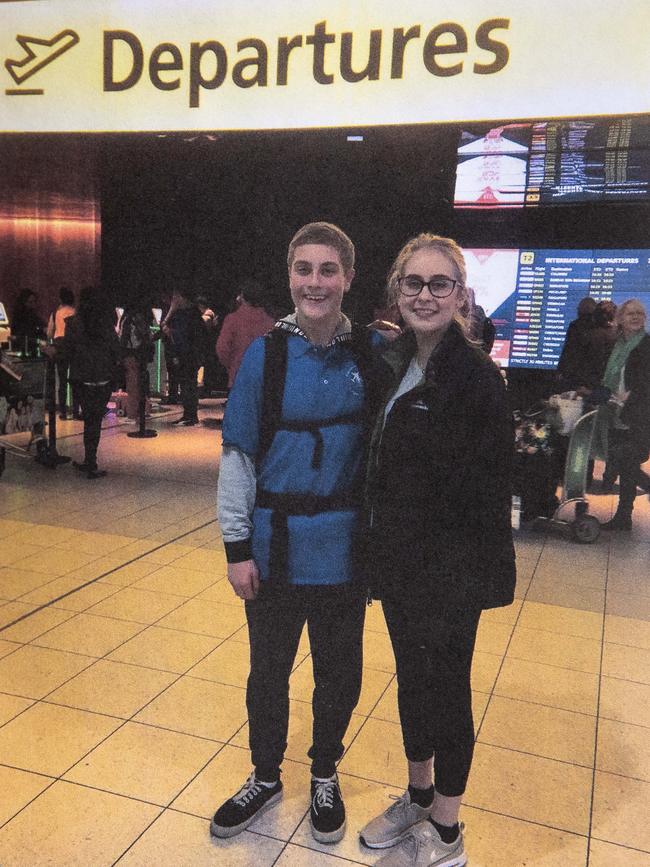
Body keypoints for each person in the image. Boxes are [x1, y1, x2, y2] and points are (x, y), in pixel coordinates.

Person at [211, 222, 380, 845]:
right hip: (274, 549)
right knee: (268, 674)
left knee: (340, 673)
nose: (315, 282)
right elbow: (239, 457)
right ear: (289, 277)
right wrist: (235, 549)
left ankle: (325, 771)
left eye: (327, 270)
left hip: (344, 553)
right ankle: (264, 774)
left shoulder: (369, 354)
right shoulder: (267, 355)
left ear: (348, 278)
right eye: (304, 270)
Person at [358, 234, 516, 867]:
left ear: (459, 295)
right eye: (413, 283)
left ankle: (446, 829)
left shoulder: (478, 378)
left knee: (448, 686)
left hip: (451, 568)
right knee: (411, 681)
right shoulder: (393, 362)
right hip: (398, 561)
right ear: (397, 291)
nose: (424, 295)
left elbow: (487, 488)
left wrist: (471, 574)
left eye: (439, 284)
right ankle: (418, 792)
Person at [594, 299, 650, 531]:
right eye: (631, 313)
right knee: (620, 461)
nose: (636, 317)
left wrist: (631, 396)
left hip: (638, 415)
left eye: (640, 313)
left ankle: (624, 516)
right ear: (620, 318)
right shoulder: (615, 345)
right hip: (614, 412)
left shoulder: (647, 345)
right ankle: (624, 515)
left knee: (627, 462)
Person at [59, 286, 121, 479]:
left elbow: (67, 352)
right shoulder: (106, 325)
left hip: (82, 378)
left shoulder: (74, 324)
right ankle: (91, 460)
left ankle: (90, 460)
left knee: (89, 420)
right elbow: (115, 351)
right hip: (103, 378)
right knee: (95, 421)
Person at [216, 279, 275, 388]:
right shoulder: (270, 322)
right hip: (263, 377)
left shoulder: (233, 319)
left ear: (242, 297)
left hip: (238, 374)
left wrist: (231, 365)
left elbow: (222, 348)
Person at [162, 289, 204, 426]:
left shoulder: (188, 314)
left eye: (175, 297)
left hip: (188, 355)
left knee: (188, 385)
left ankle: (190, 415)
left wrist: (170, 332)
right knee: (187, 384)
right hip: (191, 354)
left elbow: (184, 336)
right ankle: (189, 414)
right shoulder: (193, 313)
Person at [47, 287, 80, 420]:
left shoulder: (55, 313)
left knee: (62, 380)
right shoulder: (76, 312)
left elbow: (49, 332)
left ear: (60, 299)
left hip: (59, 346)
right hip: (74, 346)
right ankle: (76, 410)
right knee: (76, 379)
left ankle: (62, 412)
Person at [118, 301, 154, 421]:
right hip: (141, 355)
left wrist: (119, 355)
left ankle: (132, 414)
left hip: (130, 354)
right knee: (140, 384)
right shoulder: (142, 318)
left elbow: (123, 338)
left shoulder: (128, 319)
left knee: (132, 385)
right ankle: (144, 410)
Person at [556, 296, 597, 390]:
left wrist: (560, 370)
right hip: (591, 374)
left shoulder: (574, 326)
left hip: (572, 372)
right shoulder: (599, 327)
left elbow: (567, 349)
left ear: (580, 310)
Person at [11, 289, 46, 356]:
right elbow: (25, 332)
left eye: (34, 302)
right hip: (22, 346)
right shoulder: (20, 315)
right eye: (30, 302)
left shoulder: (32, 314)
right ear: (24, 302)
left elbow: (40, 324)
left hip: (30, 345)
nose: (33, 304)